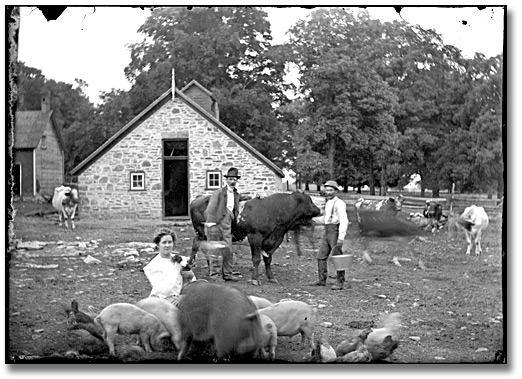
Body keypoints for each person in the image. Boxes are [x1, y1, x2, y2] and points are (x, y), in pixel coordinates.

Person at [204, 167, 263, 282]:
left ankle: (227, 274)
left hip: (228, 225)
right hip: (216, 224)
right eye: (230, 179)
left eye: (234, 179)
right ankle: (215, 276)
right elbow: (210, 210)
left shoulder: (236, 194)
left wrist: (257, 195)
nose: (232, 181)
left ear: (236, 181)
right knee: (215, 250)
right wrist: (211, 225)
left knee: (228, 250)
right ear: (226, 180)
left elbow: (244, 198)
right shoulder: (218, 193)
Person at [310, 180, 349, 290]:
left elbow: (344, 220)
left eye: (331, 190)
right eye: (327, 190)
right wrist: (313, 220)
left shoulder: (340, 203)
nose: (329, 192)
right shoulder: (328, 203)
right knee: (321, 256)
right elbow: (326, 219)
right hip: (327, 231)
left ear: (336, 191)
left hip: (335, 232)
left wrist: (341, 237)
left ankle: (340, 282)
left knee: (338, 257)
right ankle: (321, 280)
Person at [143, 228, 195, 304]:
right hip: (163, 302)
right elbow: (163, 291)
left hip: (181, 298)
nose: (167, 245)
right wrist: (177, 270)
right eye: (164, 242)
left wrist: (189, 276)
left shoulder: (180, 260)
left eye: (170, 242)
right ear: (158, 245)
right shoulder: (152, 266)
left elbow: (192, 281)